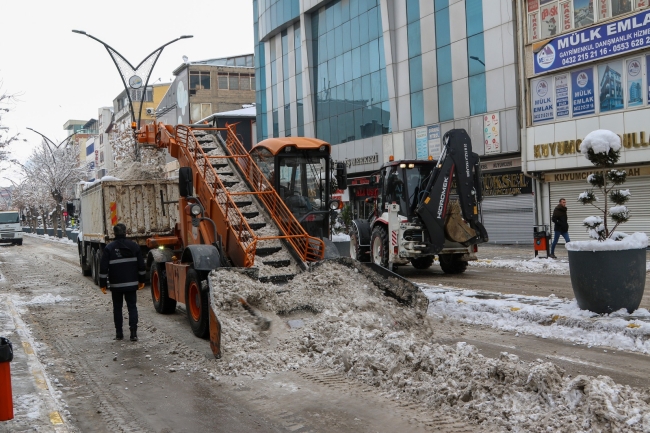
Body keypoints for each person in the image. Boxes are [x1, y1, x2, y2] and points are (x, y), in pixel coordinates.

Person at [99, 223, 146, 341]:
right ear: (126, 232)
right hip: (131, 284)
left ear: (114, 233)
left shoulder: (109, 248)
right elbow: (141, 266)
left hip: (116, 285)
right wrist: (141, 281)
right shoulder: (134, 246)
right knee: (132, 307)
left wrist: (103, 284)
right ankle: (133, 333)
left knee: (117, 308)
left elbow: (103, 268)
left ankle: (119, 333)